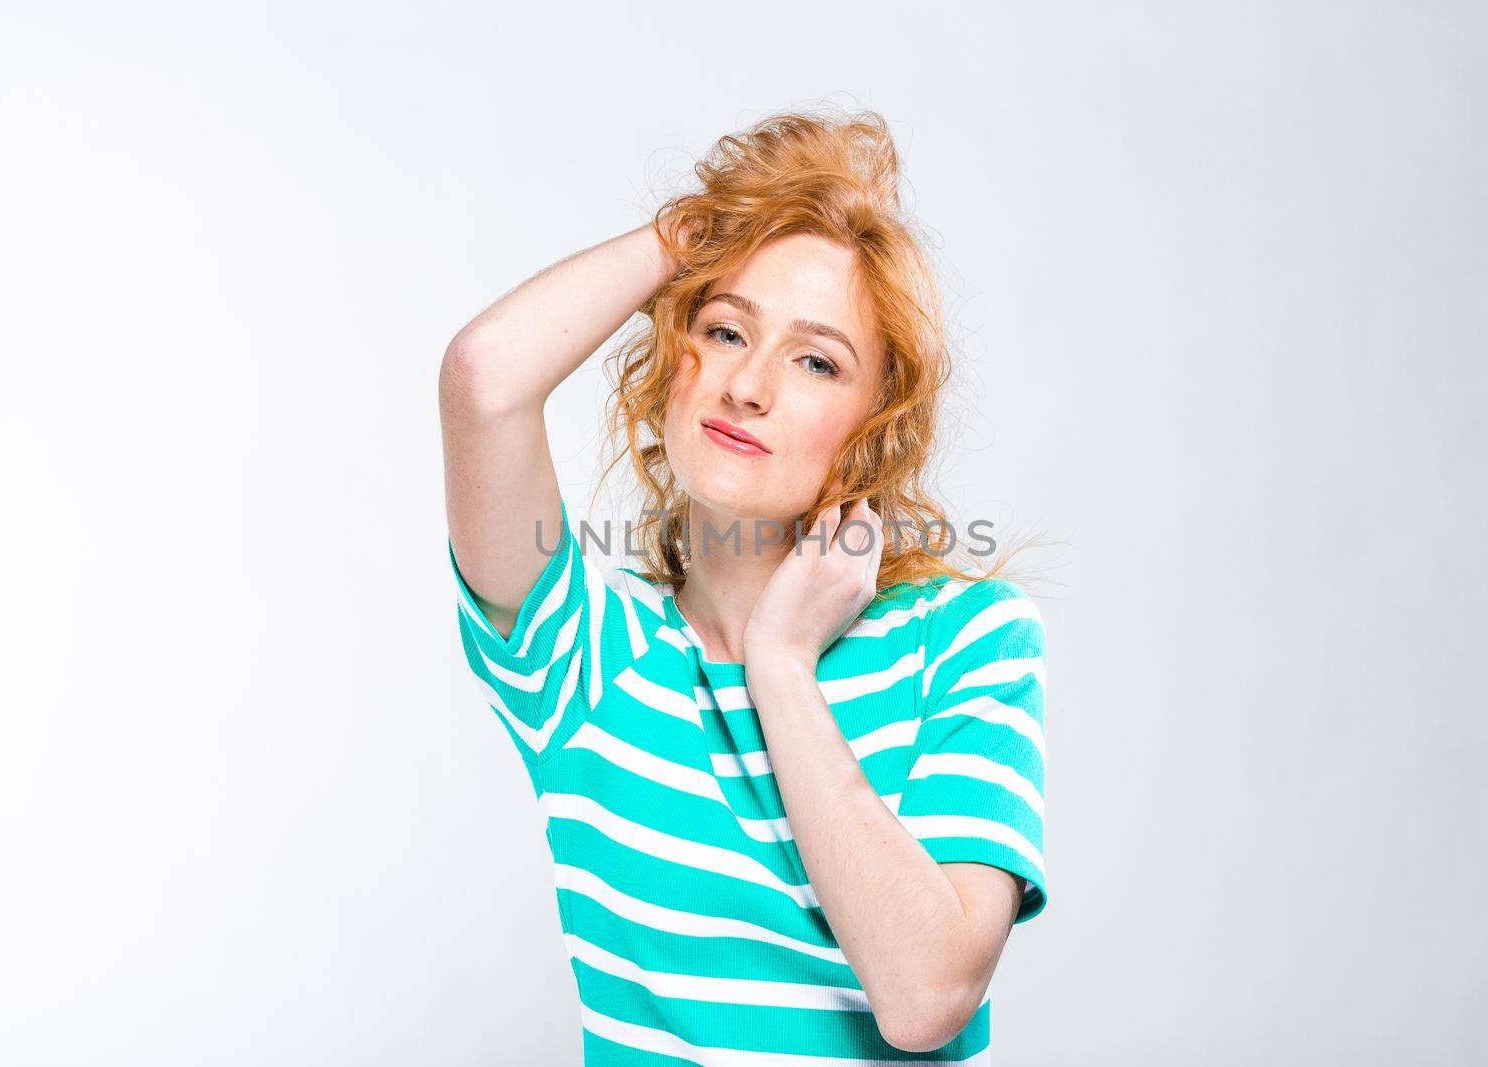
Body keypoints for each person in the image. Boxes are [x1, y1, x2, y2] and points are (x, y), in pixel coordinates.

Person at [439, 107, 1048, 1064]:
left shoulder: (964, 638)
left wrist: (782, 661)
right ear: (671, 368)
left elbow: (927, 995)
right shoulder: (589, 659)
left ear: (873, 427)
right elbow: (484, 378)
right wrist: (707, 227)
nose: (749, 385)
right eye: (724, 331)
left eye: (815, 359)